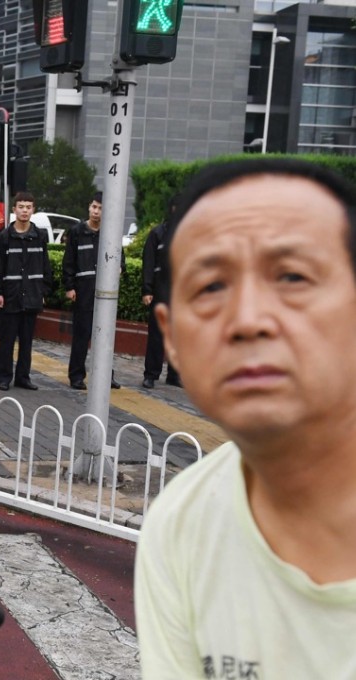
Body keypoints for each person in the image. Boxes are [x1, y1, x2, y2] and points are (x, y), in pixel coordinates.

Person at [134, 158, 356, 679]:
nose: (249, 320)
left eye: (293, 276)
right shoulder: (180, 526)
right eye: (211, 287)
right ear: (172, 337)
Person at [0, 192, 52, 391]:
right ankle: (4, 377)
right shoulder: (5, 237)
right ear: (14, 210)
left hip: (32, 296)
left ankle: (23, 377)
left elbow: (45, 266)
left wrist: (43, 292)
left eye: (28, 207)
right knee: (6, 341)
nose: (25, 210)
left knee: (27, 342)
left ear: (33, 210)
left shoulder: (39, 236)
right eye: (21, 207)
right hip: (10, 296)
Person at [62, 192, 122, 390]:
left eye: (101, 208)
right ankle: (76, 376)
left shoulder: (111, 232)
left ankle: (106, 375)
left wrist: (119, 267)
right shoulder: (77, 232)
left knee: (105, 336)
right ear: (89, 207)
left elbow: (121, 259)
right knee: (82, 334)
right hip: (84, 291)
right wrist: (69, 287)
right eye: (94, 207)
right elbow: (68, 262)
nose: (96, 212)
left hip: (106, 294)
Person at [140, 197, 181, 390]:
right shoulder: (157, 234)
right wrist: (147, 290)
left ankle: (174, 374)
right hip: (160, 292)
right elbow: (148, 264)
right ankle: (151, 374)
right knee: (156, 335)